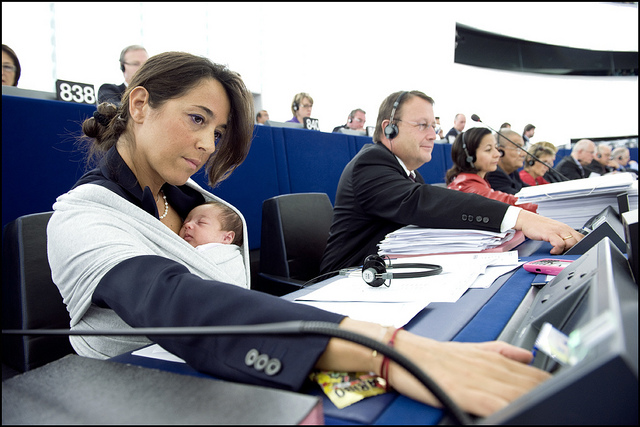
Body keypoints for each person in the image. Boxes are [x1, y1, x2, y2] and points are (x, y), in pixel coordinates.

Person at [46, 54, 552, 418]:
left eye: (218, 132)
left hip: (223, 377)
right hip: (135, 400)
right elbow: (175, 300)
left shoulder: (195, 200)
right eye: (197, 120)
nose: (207, 143)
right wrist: (392, 351)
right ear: (139, 105)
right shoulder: (80, 218)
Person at [320, 90, 582, 275]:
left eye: (433, 126)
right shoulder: (371, 162)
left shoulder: (409, 174)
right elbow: (419, 202)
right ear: (390, 128)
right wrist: (520, 218)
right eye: (422, 125)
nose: (433, 135)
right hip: (340, 283)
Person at [445, 128, 537, 212]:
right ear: (469, 156)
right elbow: (507, 202)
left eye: (496, 148)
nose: (497, 154)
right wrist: (541, 206)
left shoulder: (471, 181)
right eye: (488, 150)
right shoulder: (471, 188)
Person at [179, 200, 246, 288]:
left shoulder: (230, 258)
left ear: (227, 238)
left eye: (201, 222)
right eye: (184, 222)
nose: (188, 224)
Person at [485, 129, 529, 195]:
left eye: (523, 148)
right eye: (518, 148)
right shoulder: (493, 174)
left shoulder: (513, 173)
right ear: (500, 151)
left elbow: (528, 190)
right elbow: (517, 199)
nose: (524, 154)